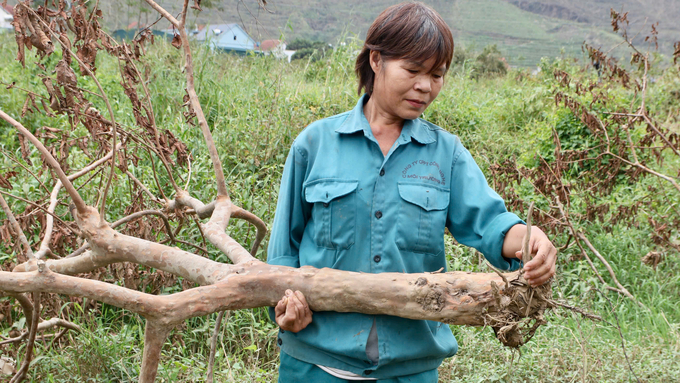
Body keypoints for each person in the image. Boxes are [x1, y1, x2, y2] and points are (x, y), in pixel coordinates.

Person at [267, 2, 557, 382]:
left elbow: (491, 224)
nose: (426, 86)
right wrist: (284, 304)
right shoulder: (315, 144)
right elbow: (282, 253)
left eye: (437, 74)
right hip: (315, 364)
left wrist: (532, 241)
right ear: (376, 61)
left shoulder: (446, 154)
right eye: (413, 70)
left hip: (410, 370)